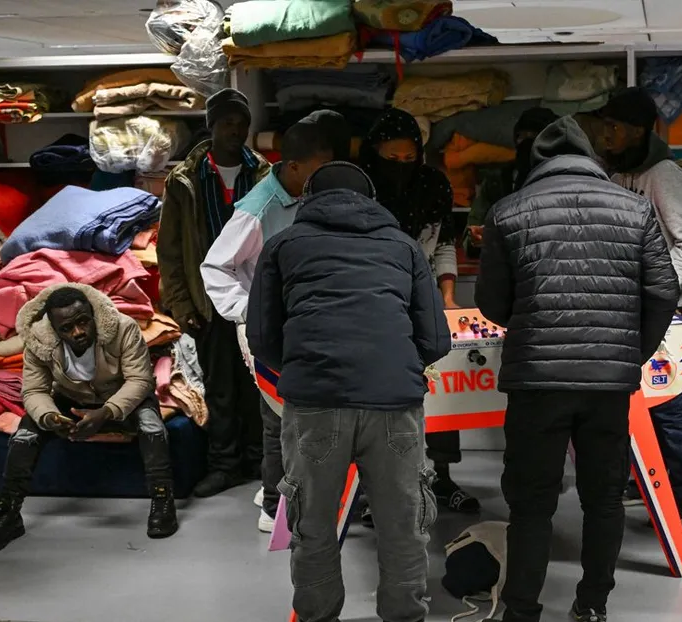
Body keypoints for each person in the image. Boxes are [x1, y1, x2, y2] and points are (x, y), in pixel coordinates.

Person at [476, 116, 680, 622]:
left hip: (536, 381)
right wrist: (630, 353)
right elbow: (662, 290)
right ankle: (592, 605)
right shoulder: (636, 210)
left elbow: (491, 303)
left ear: (538, 163)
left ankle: (521, 609)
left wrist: (532, 318)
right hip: (608, 384)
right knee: (603, 499)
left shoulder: (507, 212)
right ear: (592, 158)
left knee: (531, 503)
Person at [246, 161, 451, 622]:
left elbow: (261, 338)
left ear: (309, 200)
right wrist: (393, 364)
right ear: (372, 201)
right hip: (395, 406)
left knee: (313, 526)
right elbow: (437, 340)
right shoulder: (404, 246)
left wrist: (307, 363)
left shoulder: (283, 246)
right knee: (403, 527)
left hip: (315, 404)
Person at [200, 116, 341, 532]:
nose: (324, 179)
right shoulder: (259, 209)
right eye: (318, 171)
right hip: (265, 325)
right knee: (277, 417)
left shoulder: (309, 195)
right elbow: (215, 265)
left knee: (299, 414)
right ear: (293, 167)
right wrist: (247, 310)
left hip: (301, 322)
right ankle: (273, 507)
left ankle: (279, 487)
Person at [0, 284, 177, 555]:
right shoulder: (38, 340)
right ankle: (7, 515)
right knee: (25, 433)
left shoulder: (122, 327)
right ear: (55, 330)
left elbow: (140, 380)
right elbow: (34, 390)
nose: (78, 332)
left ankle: (163, 501)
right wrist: (51, 417)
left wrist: (105, 412)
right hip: (71, 400)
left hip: (123, 398)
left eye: (83, 322)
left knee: (152, 426)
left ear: (93, 315)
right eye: (67, 328)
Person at [581, 87, 682, 520]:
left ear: (637, 131)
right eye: (604, 125)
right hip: (622, 310)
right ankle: (646, 480)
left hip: (658, 309)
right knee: (632, 401)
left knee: (665, 400)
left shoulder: (663, 174)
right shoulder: (613, 171)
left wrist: (660, 295)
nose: (606, 133)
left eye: (614, 126)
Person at [359, 107, 479, 517]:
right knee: (385, 400)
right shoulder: (361, 189)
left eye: (409, 160)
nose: (401, 169)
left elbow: (444, 243)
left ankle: (441, 478)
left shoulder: (433, 186)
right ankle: (379, 488)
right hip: (372, 305)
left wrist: (447, 297)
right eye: (391, 160)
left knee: (442, 388)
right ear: (374, 154)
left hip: (423, 298)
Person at [158, 88, 269, 498]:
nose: (235, 131)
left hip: (254, 300)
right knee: (220, 388)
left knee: (258, 384)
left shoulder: (263, 174)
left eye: (241, 124)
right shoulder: (185, 180)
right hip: (206, 304)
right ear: (211, 126)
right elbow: (168, 250)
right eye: (227, 123)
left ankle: (261, 460)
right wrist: (181, 305)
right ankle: (225, 465)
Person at [465, 107, 558, 254]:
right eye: (522, 136)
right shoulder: (498, 181)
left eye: (534, 136)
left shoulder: (560, 181)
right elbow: (472, 229)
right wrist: (477, 239)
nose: (527, 142)